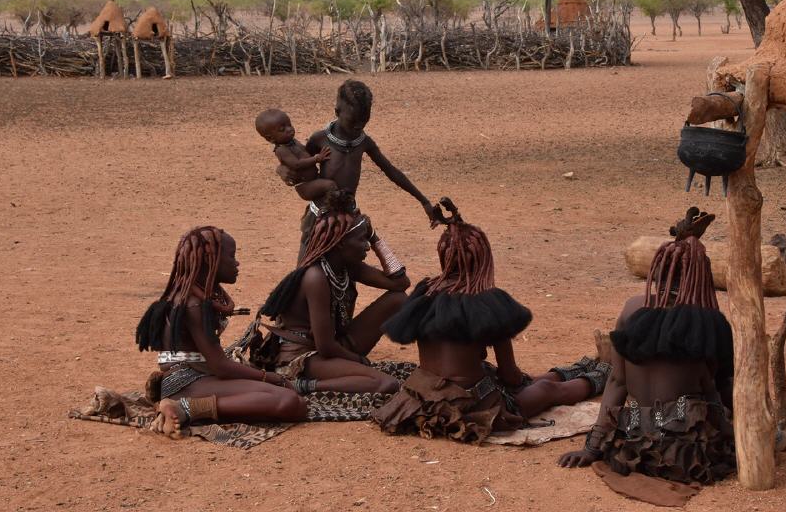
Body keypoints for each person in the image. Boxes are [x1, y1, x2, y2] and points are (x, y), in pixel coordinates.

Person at [371, 200, 610, 444]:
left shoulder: (425, 293)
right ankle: (604, 374)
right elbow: (511, 377)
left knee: (526, 381)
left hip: (425, 397)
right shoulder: (487, 303)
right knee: (547, 390)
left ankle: (584, 369)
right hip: (469, 405)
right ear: (483, 257)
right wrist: (521, 384)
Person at [558, 208, 735, 488]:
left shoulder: (631, 308)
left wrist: (592, 448)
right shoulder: (708, 321)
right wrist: (735, 438)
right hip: (684, 451)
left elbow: (616, 381)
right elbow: (717, 389)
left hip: (631, 444)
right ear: (701, 274)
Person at [136, 226, 307, 439]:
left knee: (294, 399)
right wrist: (271, 378)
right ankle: (187, 408)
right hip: (186, 381)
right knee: (289, 402)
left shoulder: (192, 295)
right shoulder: (193, 304)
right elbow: (220, 366)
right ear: (211, 260)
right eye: (231, 256)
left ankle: (187, 405)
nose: (236, 263)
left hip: (197, 375)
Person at [257, 192, 410, 394]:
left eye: (367, 240)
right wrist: (360, 362)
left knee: (397, 300)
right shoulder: (316, 277)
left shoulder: (349, 266)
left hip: (333, 346)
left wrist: (375, 238)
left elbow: (400, 284)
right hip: (304, 356)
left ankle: (349, 369)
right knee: (387, 384)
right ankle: (300, 385)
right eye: (362, 240)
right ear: (341, 243)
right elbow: (325, 347)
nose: (366, 246)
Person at [295, 79, 439, 265]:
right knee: (303, 269)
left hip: (348, 218)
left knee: (345, 274)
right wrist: (285, 170)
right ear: (337, 112)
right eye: (353, 122)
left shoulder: (364, 143)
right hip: (318, 217)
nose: (357, 127)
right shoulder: (320, 139)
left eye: (363, 123)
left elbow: (392, 172)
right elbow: (299, 166)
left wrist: (424, 201)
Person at [255, 108, 337, 203]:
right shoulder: (281, 150)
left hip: (314, 178)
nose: (289, 129)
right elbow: (296, 164)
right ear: (270, 138)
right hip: (305, 185)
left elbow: (306, 152)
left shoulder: (293, 142)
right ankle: (332, 208)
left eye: (289, 125)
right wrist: (316, 159)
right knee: (330, 185)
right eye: (282, 129)